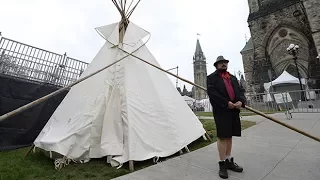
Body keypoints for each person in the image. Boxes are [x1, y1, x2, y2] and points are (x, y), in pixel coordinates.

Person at [206, 56, 246, 179]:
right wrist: (225, 103)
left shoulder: (233, 78)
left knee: (229, 136)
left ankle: (229, 160)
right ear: (216, 65)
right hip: (222, 111)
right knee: (222, 136)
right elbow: (212, 94)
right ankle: (222, 163)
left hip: (233, 111)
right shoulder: (212, 78)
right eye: (221, 63)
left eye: (225, 62)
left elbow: (240, 92)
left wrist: (241, 102)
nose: (224, 64)